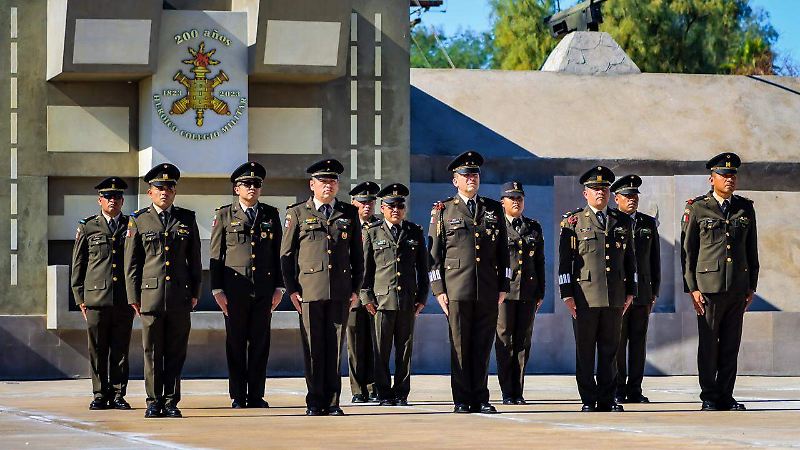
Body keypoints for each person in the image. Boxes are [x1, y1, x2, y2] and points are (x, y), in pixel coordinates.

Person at [280, 159, 364, 416]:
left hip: (340, 291)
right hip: (309, 291)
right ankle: (314, 401)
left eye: (332, 181)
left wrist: (355, 289)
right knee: (313, 347)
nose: (328, 185)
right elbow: (287, 254)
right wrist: (292, 290)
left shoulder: (348, 213)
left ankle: (332, 401)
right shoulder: (297, 213)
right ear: (312, 184)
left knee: (334, 347)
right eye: (323, 181)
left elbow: (358, 256)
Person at [428, 150, 510, 414]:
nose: (471, 178)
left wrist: (503, 286)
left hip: (487, 289)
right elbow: (434, 256)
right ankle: (462, 399)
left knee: (484, 344)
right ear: (456, 181)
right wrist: (439, 290)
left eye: (474, 174)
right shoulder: (443, 210)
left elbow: (504, 254)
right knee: (461, 345)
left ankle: (481, 397)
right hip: (456, 288)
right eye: (466, 175)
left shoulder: (494, 208)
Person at [681, 152, 758, 412]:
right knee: (709, 345)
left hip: (737, 286)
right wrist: (692, 287)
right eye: (724, 175)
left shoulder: (745, 207)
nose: (730, 179)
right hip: (709, 288)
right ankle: (709, 396)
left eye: (733, 175)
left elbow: (751, 249)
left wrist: (752, 285)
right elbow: (688, 251)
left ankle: (726, 395)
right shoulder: (697, 207)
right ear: (711, 178)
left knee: (729, 345)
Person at [124, 163, 202, 418]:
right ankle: (153, 400)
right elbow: (132, 263)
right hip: (151, 297)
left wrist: (195, 293)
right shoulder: (138, 220)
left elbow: (195, 260)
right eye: (159, 188)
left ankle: (171, 401)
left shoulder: (186, 219)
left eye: (169, 188)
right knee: (152, 351)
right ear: (150, 192)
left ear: (174, 193)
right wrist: (134, 297)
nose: (164, 192)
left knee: (176, 351)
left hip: (180, 296)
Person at [558, 166, 635, 412]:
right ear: (585, 193)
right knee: (585, 351)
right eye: (594, 189)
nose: (599, 193)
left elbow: (630, 260)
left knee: (610, 350)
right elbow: (564, 263)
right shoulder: (573, 222)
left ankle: (608, 397)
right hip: (584, 297)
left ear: (610, 193)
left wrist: (631, 291)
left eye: (603, 189)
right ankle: (588, 399)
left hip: (614, 296)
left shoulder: (621, 221)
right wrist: (567, 294)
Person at [210, 162, 284, 409]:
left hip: (264, 290)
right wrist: (217, 290)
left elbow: (278, 254)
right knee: (236, 343)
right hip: (234, 291)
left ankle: (256, 395)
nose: (252, 188)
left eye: (257, 184)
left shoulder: (270, 214)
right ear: (236, 188)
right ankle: (238, 395)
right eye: (247, 184)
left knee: (261, 344)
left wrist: (279, 288)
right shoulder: (224, 215)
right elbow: (216, 256)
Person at [361, 183, 428, 406]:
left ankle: (401, 393)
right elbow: (365, 270)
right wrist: (366, 297)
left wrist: (422, 298)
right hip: (382, 300)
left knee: (405, 350)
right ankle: (383, 393)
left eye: (399, 206)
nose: (395, 210)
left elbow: (423, 268)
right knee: (381, 349)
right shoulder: (372, 232)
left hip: (408, 299)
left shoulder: (414, 231)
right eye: (390, 206)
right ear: (382, 208)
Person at [71, 177, 134, 411]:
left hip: (123, 299)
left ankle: (118, 394)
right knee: (97, 349)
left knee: (120, 349)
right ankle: (99, 394)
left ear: (122, 200)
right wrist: (80, 299)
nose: (113, 201)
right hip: (95, 299)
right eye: (108, 197)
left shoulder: (131, 225)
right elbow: (79, 264)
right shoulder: (88, 227)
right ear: (100, 200)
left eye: (117, 197)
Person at [494, 181, 545, 406]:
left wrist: (541, 291)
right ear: (502, 202)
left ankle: (518, 391)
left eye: (520, 198)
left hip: (528, 292)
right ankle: (507, 391)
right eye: (511, 198)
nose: (516, 202)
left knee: (523, 342)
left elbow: (540, 261)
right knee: (505, 342)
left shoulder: (533, 227)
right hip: (504, 293)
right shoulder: (496, 226)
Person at [611, 175, 660, 404]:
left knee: (639, 342)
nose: (632, 200)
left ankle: (635, 389)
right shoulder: (612, 222)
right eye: (627, 196)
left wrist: (654, 292)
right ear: (616, 198)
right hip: (620, 293)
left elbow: (654, 260)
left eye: (634, 196)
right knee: (619, 342)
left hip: (642, 293)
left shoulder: (647, 223)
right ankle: (619, 388)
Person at [346, 181, 380, 403]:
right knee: (356, 344)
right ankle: (358, 390)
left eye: (370, 202)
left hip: (378, 294)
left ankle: (374, 385)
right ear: (353, 203)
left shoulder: (380, 226)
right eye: (362, 202)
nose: (367, 206)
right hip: (354, 295)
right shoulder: (346, 225)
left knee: (376, 343)